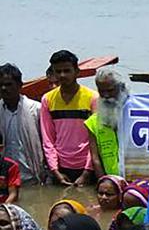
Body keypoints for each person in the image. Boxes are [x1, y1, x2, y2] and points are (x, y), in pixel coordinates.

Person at [39, 51, 97, 186]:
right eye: (58, 71)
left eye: (67, 70)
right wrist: (55, 170)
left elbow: (95, 140)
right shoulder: (47, 99)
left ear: (77, 71)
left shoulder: (92, 98)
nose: (62, 75)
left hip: (87, 166)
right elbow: (48, 139)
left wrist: (87, 172)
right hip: (61, 167)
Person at [0, 64, 48, 185]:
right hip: (7, 178)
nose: (4, 88)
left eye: (8, 84)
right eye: (1, 85)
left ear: (20, 85)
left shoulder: (36, 109)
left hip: (33, 175)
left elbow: (48, 141)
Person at [86, 67, 124, 178]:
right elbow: (95, 159)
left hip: (135, 179)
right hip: (111, 180)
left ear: (121, 88)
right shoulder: (92, 122)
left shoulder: (135, 115)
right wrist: (103, 181)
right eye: (101, 91)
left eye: (110, 90)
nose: (106, 96)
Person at [0, 132, 23, 202]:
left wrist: (4, 209)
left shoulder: (11, 166)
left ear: (1, 148)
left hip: (5, 205)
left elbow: (13, 194)